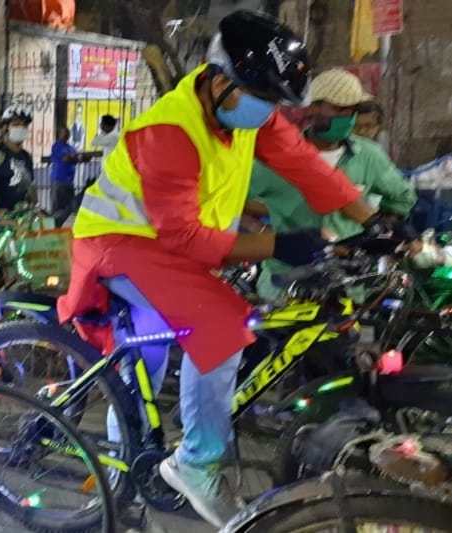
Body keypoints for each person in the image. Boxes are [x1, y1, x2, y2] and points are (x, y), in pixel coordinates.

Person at [56, 12, 399, 527]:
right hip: (121, 244)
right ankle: (196, 462)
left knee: (142, 369)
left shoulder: (244, 108)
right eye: (263, 99)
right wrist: (276, 243)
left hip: (169, 248)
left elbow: (304, 164)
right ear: (219, 81)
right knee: (223, 325)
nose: (269, 112)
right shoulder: (170, 130)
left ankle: (128, 476)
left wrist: (378, 221)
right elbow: (184, 237)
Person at [247, 69, 416, 301]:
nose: (350, 117)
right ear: (313, 108)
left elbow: (402, 199)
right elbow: (233, 202)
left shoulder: (369, 156)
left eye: (353, 110)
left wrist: (379, 222)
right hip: (286, 288)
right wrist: (265, 233)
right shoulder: (278, 156)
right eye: (340, 109)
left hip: (346, 287)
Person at [50, 125, 81, 223]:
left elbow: (77, 159)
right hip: (58, 180)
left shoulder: (70, 147)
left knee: (69, 208)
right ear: (59, 134)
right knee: (57, 208)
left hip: (69, 181)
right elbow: (66, 158)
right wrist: (73, 157)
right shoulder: (57, 146)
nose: (66, 134)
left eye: (67, 132)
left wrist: (72, 157)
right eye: (64, 132)